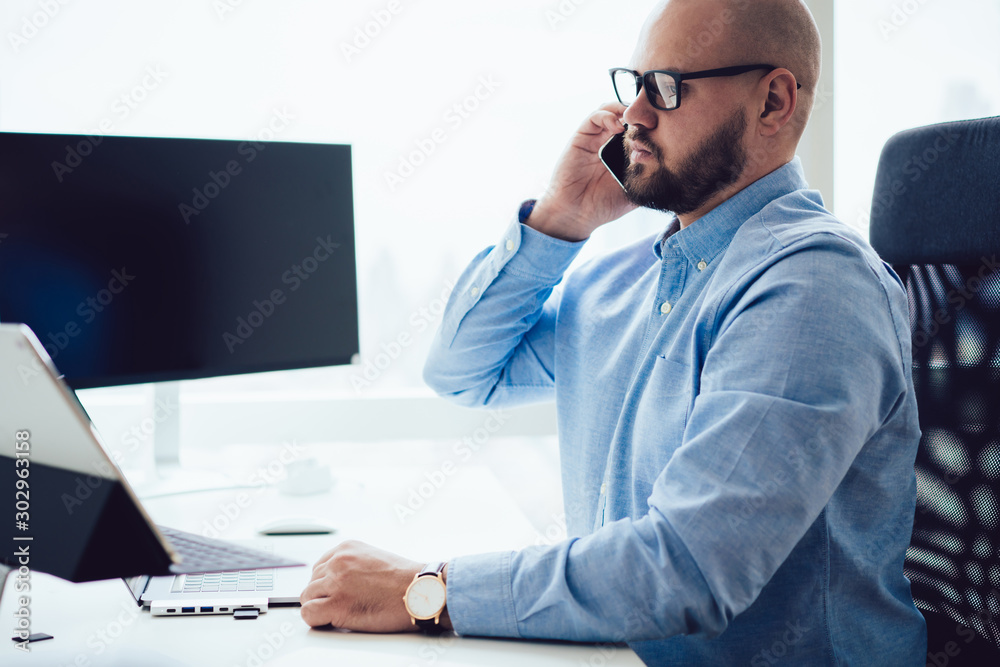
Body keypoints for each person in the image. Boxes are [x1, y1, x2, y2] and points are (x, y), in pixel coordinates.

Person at [300, 0, 927, 663]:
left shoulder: (813, 285)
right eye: (633, 85)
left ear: (772, 102)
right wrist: (560, 215)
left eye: (666, 87)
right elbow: (462, 371)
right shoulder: (621, 282)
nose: (633, 115)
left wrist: (424, 590)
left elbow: (686, 567)